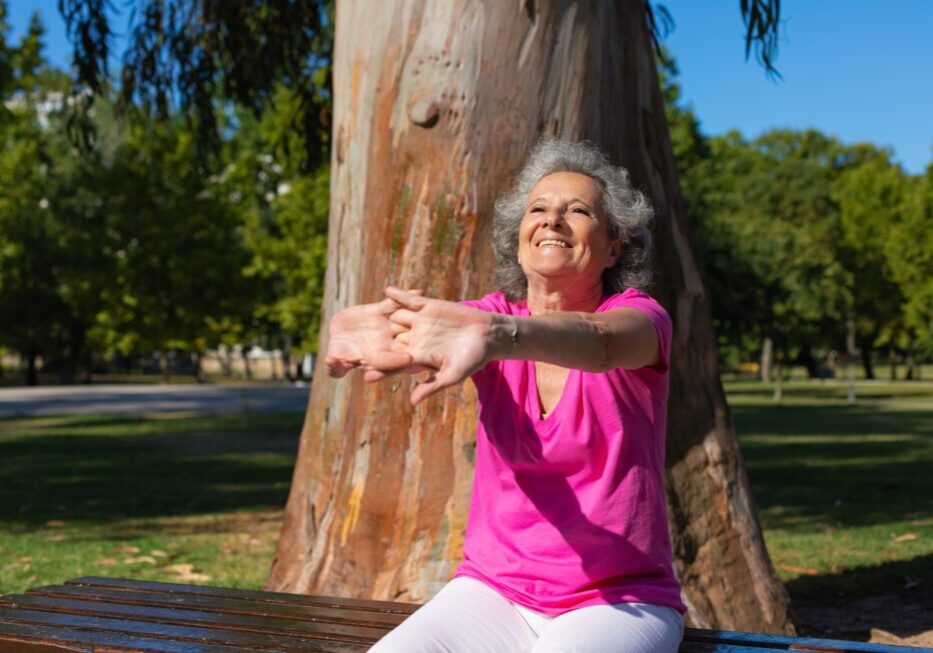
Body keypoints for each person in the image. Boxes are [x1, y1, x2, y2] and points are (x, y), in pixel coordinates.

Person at [325, 139, 686, 653]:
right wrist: (366, 329)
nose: (552, 219)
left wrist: (499, 336)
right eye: (538, 208)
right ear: (519, 235)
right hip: (492, 592)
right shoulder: (487, 319)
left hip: (618, 602)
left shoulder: (640, 318)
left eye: (577, 210)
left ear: (613, 246)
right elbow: (430, 332)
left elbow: (602, 343)